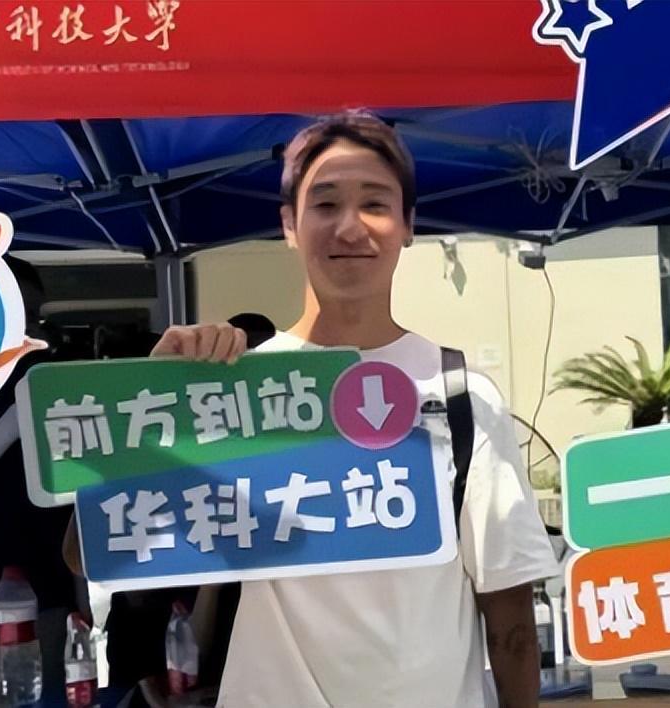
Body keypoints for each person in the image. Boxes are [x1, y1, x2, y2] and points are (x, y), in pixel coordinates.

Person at [147, 111, 558, 707]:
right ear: (289, 224)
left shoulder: (461, 394)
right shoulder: (235, 390)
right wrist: (152, 399)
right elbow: (90, 554)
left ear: (407, 225)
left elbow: (511, 618)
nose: (349, 227)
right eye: (324, 203)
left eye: (374, 204)